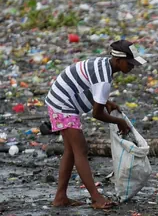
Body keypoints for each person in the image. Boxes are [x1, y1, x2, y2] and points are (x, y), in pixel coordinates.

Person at [44, 40, 147, 209]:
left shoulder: (104, 64)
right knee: (81, 150)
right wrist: (118, 121)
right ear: (118, 60)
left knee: (71, 151)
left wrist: (105, 101)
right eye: (130, 63)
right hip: (62, 104)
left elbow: (89, 85)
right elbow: (97, 114)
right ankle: (96, 197)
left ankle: (60, 197)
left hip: (60, 98)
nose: (132, 67)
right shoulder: (104, 78)